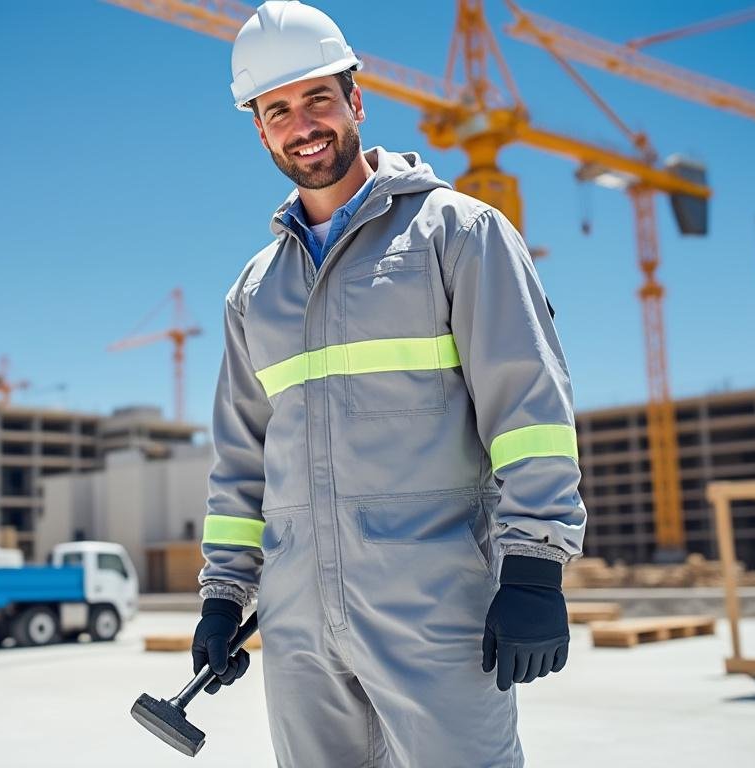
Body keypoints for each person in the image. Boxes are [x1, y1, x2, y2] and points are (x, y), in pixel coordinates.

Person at [192, 2, 587, 765]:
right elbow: (239, 462)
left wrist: (535, 567)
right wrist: (222, 596)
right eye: (278, 110)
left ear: (356, 102)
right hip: (298, 624)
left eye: (318, 100)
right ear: (259, 128)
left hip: (436, 606)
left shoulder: (458, 234)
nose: (302, 124)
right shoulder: (255, 290)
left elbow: (529, 407)